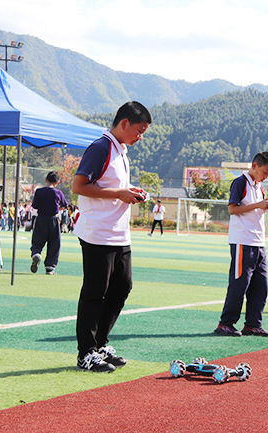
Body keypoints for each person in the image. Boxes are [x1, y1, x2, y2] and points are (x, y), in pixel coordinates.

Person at [71, 101, 152, 372]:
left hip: (119, 233)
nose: (140, 137)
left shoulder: (121, 150)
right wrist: (119, 193)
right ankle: (86, 353)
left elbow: (110, 185)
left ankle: (101, 343)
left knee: (122, 287)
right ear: (124, 123)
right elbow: (79, 186)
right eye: (139, 130)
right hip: (98, 233)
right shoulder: (101, 147)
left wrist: (128, 190)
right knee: (95, 292)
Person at [214, 152, 268, 337]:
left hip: (258, 241)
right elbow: (232, 209)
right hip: (243, 240)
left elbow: (254, 208)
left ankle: (253, 324)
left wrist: (266, 205)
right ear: (255, 165)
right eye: (265, 172)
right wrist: (258, 204)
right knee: (239, 284)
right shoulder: (240, 182)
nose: (266, 176)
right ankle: (225, 323)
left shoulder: (259, 186)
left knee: (260, 286)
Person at [30, 171, 68, 275]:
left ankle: (36, 253)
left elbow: (35, 206)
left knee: (37, 240)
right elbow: (64, 204)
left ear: (46, 180)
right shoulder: (58, 193)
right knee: (54, 243)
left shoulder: (39, 191)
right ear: (57, 182)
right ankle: (50, 267)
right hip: (53, 220)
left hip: (41, 219)